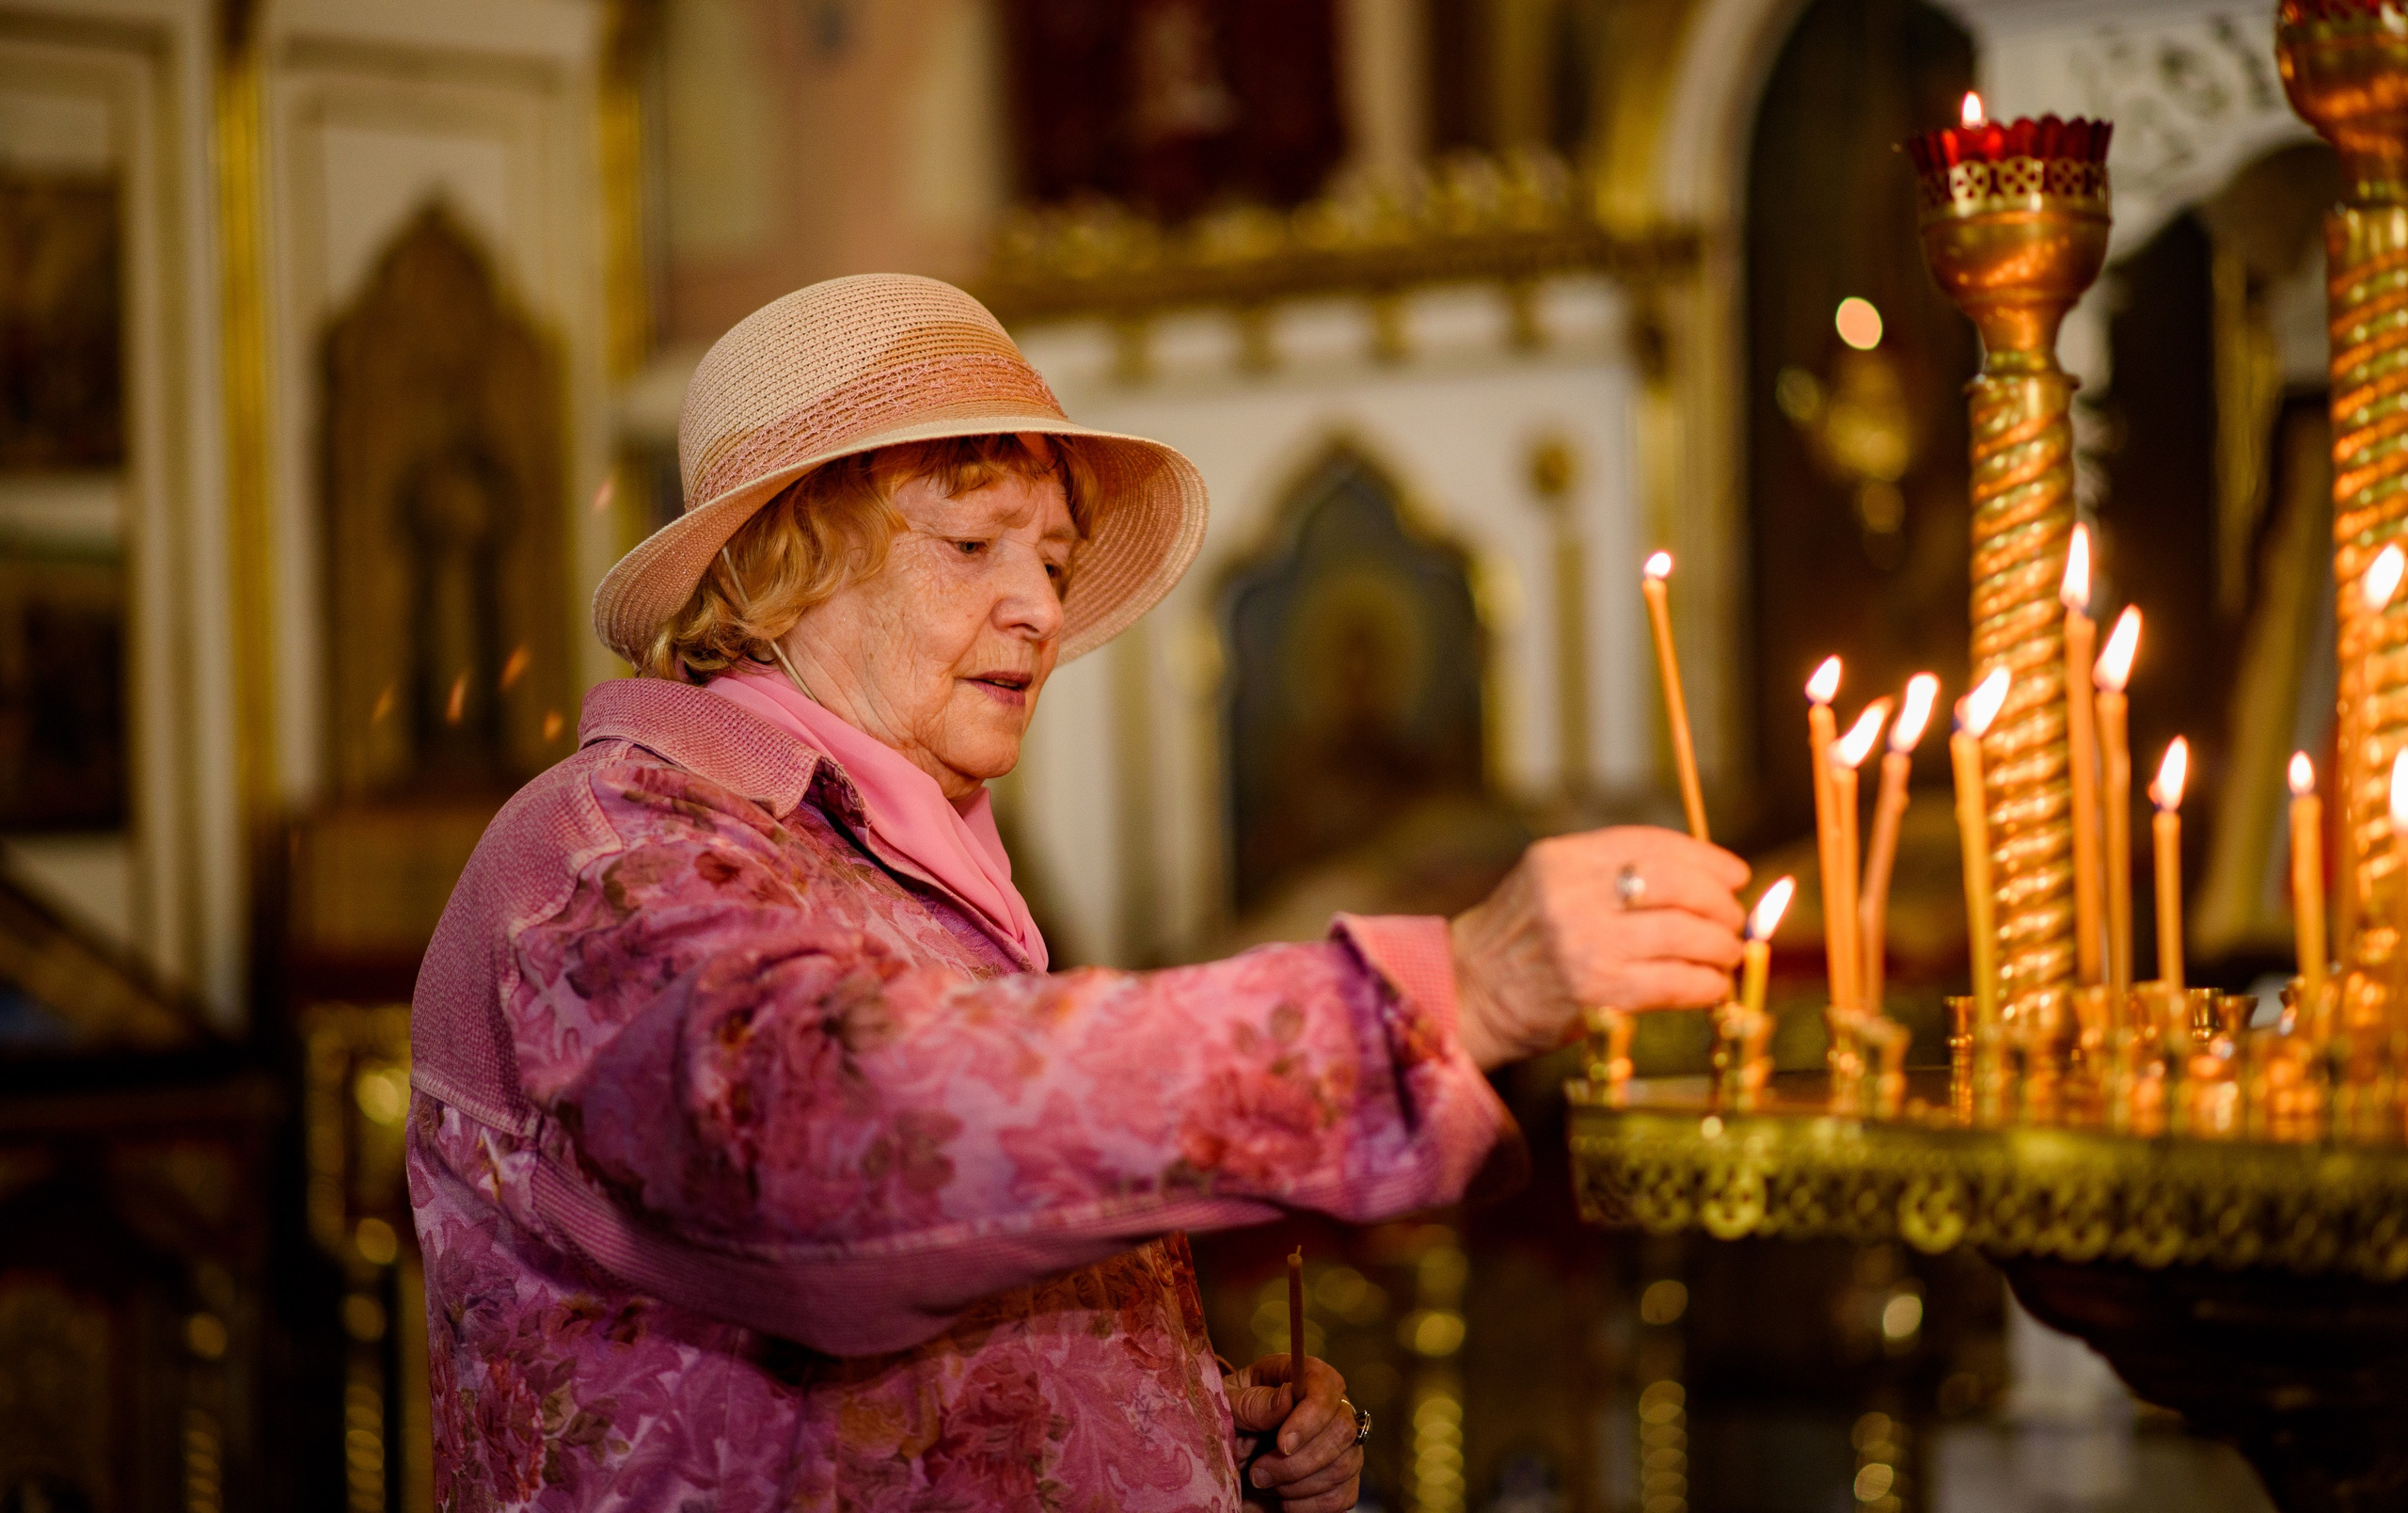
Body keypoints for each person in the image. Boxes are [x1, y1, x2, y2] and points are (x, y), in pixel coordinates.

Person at [405, 274, 1749, 1512]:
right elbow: (824, 1150)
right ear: (780, 563)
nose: (1042, 608)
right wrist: (1455, 991)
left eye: (1050, 560)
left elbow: (937, 1316)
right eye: (976, 543)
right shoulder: (608, 847)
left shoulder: (910, 855)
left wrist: (1190, 1422)